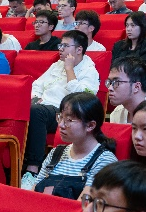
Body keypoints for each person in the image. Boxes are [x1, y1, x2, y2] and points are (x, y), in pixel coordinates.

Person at [23, 31, 101, 176]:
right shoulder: (56, 65)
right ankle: (16, 164)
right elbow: (37, 85)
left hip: (64, 114)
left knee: (36, 112)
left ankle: (32, 170)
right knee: (22, 109)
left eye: (65, 46)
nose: (60, 49)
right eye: (60, 45)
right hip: (42, 106)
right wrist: (35, 98)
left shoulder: (90, 71)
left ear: (79, 49)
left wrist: (69, 69)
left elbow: (82, 100)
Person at [23, 92, 118, 195]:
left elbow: (83, 204)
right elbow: (34, 195)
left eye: (69, 120)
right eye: (60, 117)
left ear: (90, 125)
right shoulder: (55, 154)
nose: (61, 125)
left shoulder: (103, 161)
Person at [110, 12, 146, 83]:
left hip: (142, 83)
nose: (128, 29)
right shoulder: (119, 45)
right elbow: (113, 66)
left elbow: (142, 68)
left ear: (142, 27)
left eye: (132, 25)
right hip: (119, 81)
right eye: (127, 25)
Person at [105, 58, 146, 124]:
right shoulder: (117, 113)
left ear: (136, 87)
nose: (110, 88)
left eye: (116, 82)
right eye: (109, 82)